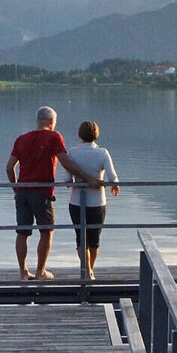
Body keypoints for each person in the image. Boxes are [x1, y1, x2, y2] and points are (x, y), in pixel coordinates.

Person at [5, 106, 97, 280]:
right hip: (42, 191)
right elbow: (66, 163)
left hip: (22, 191)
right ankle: (40, 272)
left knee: (22, 232)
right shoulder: (54, 137)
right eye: (54, 123)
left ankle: (23, 273)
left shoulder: (21, 139)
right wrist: (87, 178)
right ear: (50, 122)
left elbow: (9, 167)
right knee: (47, 231)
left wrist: (16, 188)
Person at [64, 120, 121, 280]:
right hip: (97, 202)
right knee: (94, 238)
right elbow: (113, 176)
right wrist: (114, 185)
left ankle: (87, 271)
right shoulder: (103, 153)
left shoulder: (72, 152)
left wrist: (72, 180)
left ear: (79, 135)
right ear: (96, 134)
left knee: (80, 237)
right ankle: (89, 271)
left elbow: (67, 179)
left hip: (76, 201)